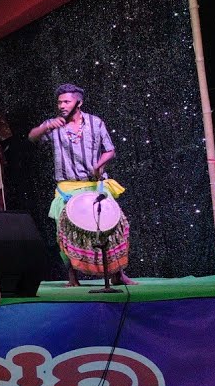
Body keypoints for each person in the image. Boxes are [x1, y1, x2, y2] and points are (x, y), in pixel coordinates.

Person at [27, 83, 135, 286]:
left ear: (79, 102)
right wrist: (45, 127)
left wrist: (99, 164)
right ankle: (72, 277)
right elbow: (32, 137)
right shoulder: (54, 125)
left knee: (113, 227)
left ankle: (118, 274)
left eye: (66, 101)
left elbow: (109, 150)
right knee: (65, 232)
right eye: (59, 102)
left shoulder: (95, 123)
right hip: (67, 188)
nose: (62, 105)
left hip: (95, 185)